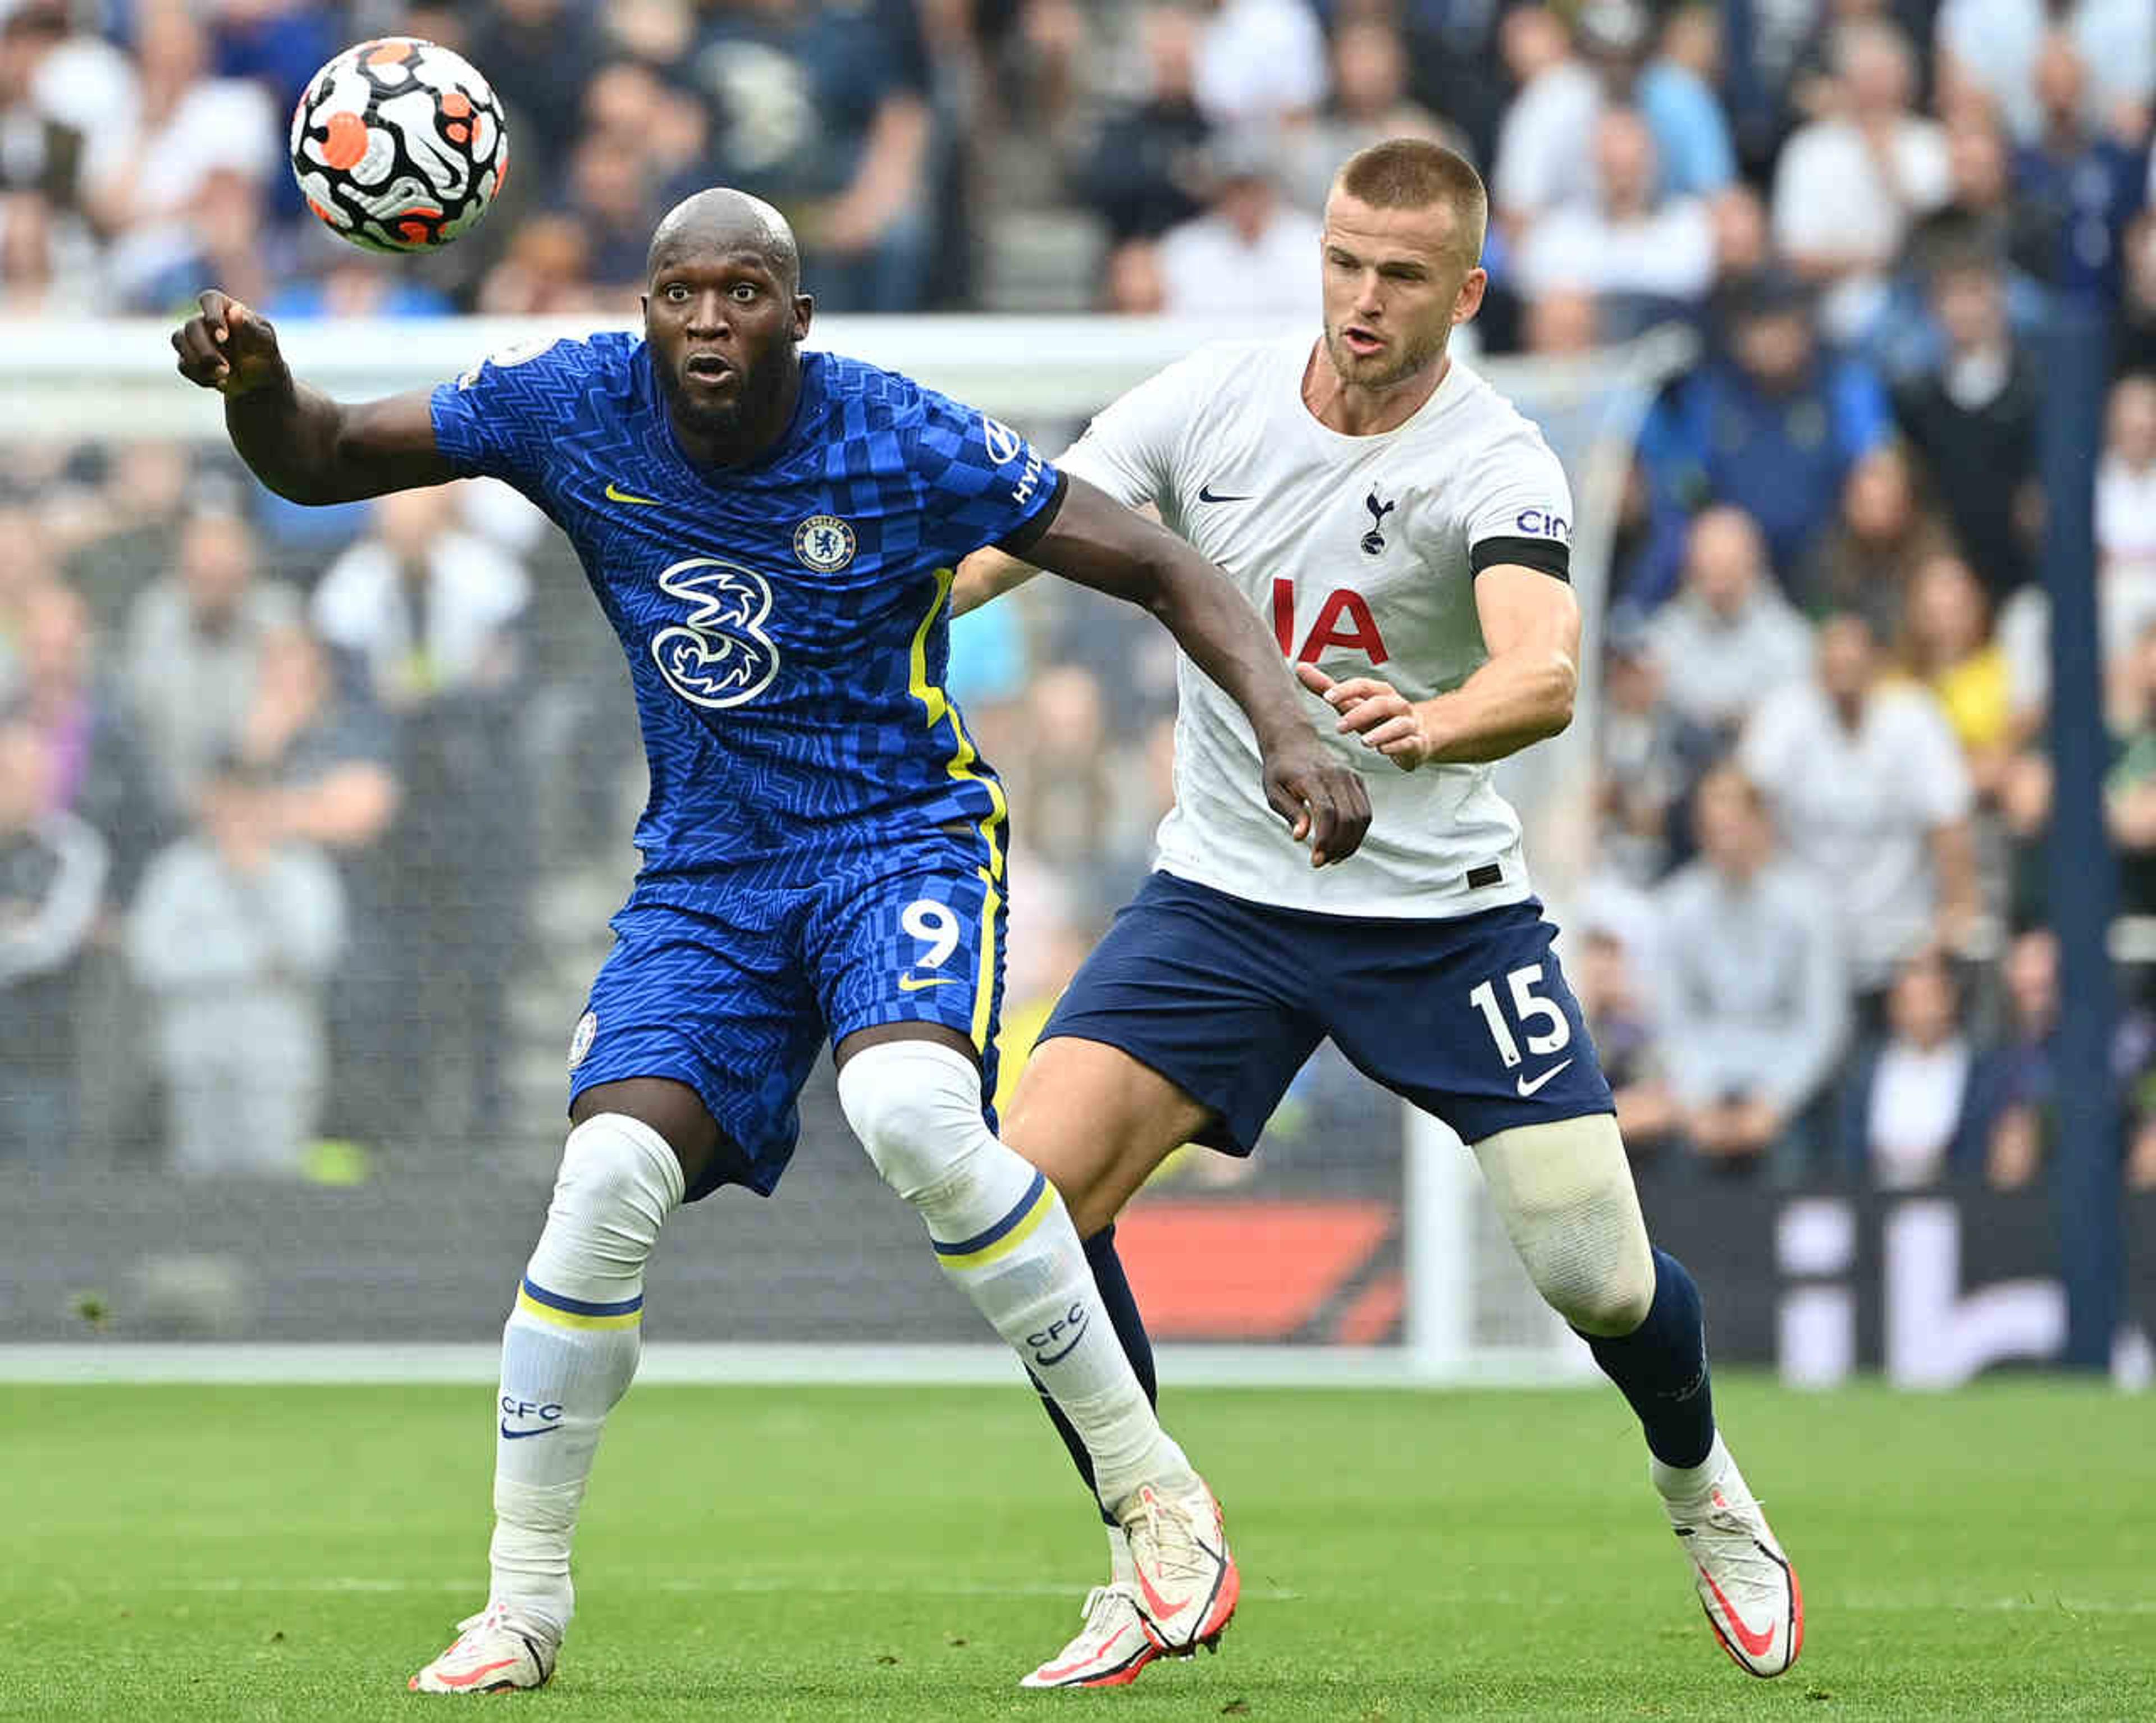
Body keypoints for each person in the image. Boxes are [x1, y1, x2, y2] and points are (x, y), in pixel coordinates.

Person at [170, 186, 1369, 1694]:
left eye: (747, 293)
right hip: (710, 875)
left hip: (894, 839)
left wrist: (1285, 731)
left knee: (915, 1115)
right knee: (601, 1179)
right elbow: (326, 456)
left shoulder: (898, 434)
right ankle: (521, 1609)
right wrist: (259, 382)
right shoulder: (572, 405)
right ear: (648, 313)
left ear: (799, 316)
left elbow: (1158, 562)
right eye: (684, 293)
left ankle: (1159, 1500)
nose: (713, 321)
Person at [954, 139, 1803, 1688]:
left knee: (1600, 1282)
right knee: (1022, 1199)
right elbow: (1034, 523)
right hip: (1224, 893)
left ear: (1464, 293)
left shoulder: (1498, 458)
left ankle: (1703, 1487)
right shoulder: (1209, 401)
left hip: (1440, 915)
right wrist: (900, 608)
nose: (1361, 296)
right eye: (1345, 261)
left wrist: (1436, 723)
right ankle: (1155, 1529)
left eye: (1401, 274)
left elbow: (1540, 669)